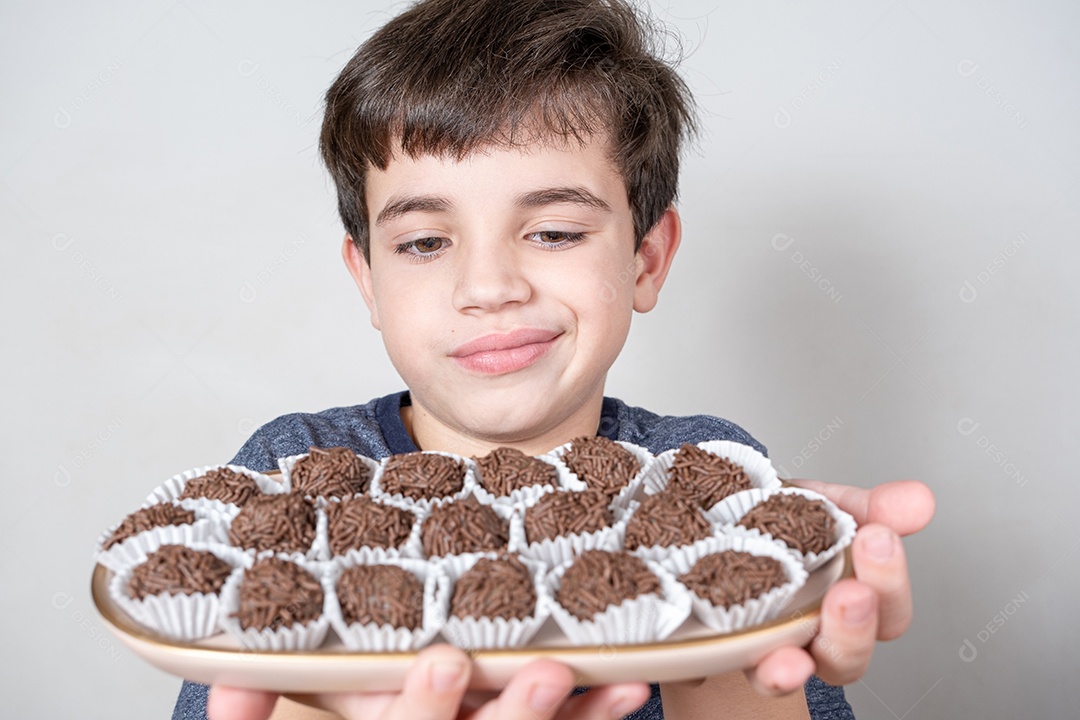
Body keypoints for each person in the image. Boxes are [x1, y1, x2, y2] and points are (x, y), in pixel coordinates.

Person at [172, 0, 935, 718]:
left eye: (555, 232)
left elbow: (767, 676)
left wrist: (737, 633)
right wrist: (322, 670)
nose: (489, 287)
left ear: (645, 259)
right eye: (425, 243)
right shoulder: (292, 470)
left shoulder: (706, 479)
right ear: (368, 280)